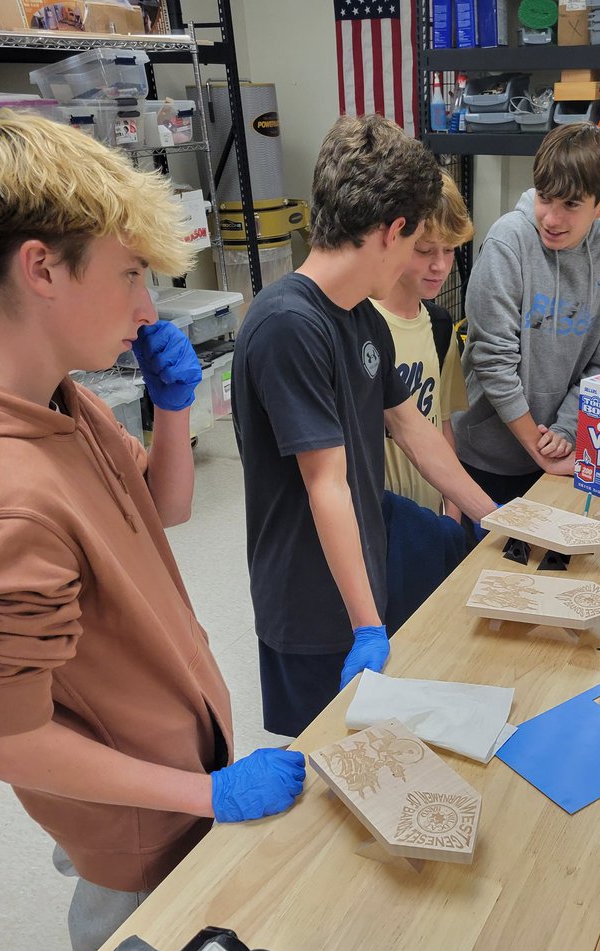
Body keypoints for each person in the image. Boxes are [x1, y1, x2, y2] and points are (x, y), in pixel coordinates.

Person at [0, 112, 306, 951]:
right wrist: (206, 795)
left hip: (172, 764)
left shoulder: (68, 400)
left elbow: (163, 508)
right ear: (41, 269)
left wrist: (175, 412)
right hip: (139, 819)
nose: (146, 306)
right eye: (131, 273)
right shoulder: (15, 500)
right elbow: (12, 739)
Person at [231, 115, 496, 740]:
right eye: (416, 244)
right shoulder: (289, 326)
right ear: (392, 230)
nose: (416, 264)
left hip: (357, 580)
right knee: (323, 764)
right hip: (312, 598)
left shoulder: (358, 317)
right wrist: (366, 624)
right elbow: (325, 482)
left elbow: (412, 428)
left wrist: (497, 516)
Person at [452, 123, 600, 505]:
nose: (551, 219)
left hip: (562, 451)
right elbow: (493, 360)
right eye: (545, 197)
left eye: (570, 205)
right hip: (485, 457)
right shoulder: (508, 240)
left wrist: (567, 430)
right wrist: (539, 448)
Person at [371, 169, 473, 520]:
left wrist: (452, 513)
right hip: (377, 520)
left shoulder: (440, 327)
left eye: (450, 250)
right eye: (424, 250)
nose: (440, 266)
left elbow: (443, 425)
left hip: (431, 517)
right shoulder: (360, 324)